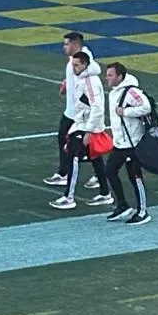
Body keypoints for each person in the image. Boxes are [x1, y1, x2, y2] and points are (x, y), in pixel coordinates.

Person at [50, 51, 114, 210]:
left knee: (73, 158)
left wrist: (89, 131)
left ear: (85, 65)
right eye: (72, 65)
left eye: (76, 65)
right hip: (83, 124)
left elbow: (97, 108)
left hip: (85, 126)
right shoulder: (84, 79)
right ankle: (105, 194)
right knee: (96, 159)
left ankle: (69, 197)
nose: (74, 68)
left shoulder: (90, 82)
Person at [44, 32, 102, 192]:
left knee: (84, 146)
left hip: (80, 114)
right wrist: (66, 83)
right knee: (67, 141)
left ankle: (94, 176)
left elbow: (94, 70)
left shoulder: (84, 59)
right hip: (71, 111)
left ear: (75, 44)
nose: (64, 47)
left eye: (67, 44)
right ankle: (65, 173)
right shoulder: (73, 60)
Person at [104, 61, 153, 226]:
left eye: (110, 75)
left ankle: (143, 211)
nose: (107, 78)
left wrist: (125, 112)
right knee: (109, 171)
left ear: (120, 76)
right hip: (120, 143)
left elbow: (146, 107)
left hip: (133, 144)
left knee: (136, 178)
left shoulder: (131, 91)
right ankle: (122, 205)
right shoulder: (114, 93)